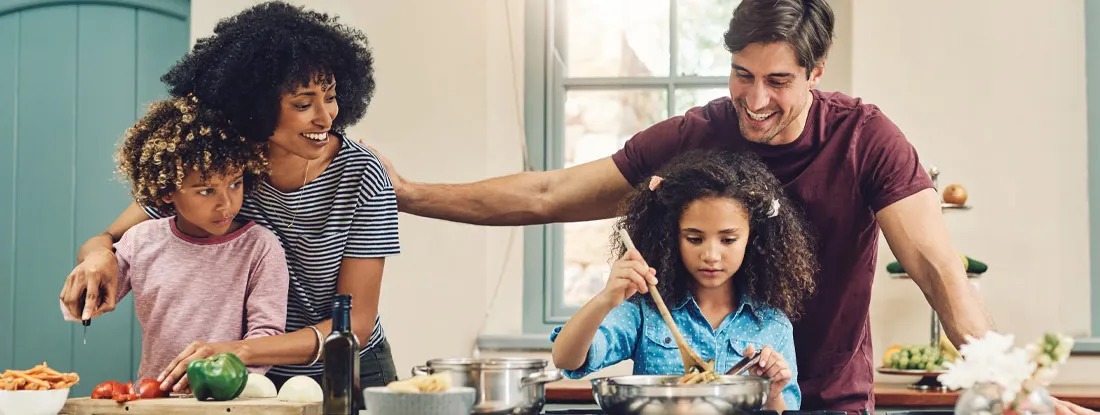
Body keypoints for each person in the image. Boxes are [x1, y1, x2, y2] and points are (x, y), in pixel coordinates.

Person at [369, 0, 1001, 411]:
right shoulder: (696, 133)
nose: (754, 99)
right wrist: (410, 194)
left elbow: (940, 273)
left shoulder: (866, 138)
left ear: (816, 71)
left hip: (829, 396)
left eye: (777, 81)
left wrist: (1007, 382)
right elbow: (548, 193)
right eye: (740, 74)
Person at [57, 1, 402, 399]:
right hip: (247, 376)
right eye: (303, 104)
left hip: (347, 366)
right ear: (254, 103)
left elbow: (354, 323)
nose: (325, 117)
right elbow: (108, 239)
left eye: (331, 97)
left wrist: (239, 350)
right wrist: (97, 257)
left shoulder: (361, 175)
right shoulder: (223, 163)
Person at [549, 150, 816, 411]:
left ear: (753, 239)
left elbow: (783, 409)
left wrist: (772, 395)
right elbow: (567, 359)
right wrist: (605, 299)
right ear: (671, 237)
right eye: (694, 239)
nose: (711, 255)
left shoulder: (772, 325)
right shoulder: (644, 312)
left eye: (728, 240)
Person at [59, 95, 289, 381]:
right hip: (154, 400)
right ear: (167, 191)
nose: (226, 204)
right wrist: (86, 284)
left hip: (228, 399)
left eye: (235, 184)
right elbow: (86, 299)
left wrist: (223, 378)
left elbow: (265, 336)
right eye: (206, 191)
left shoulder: (259, 248)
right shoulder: (141, 241)